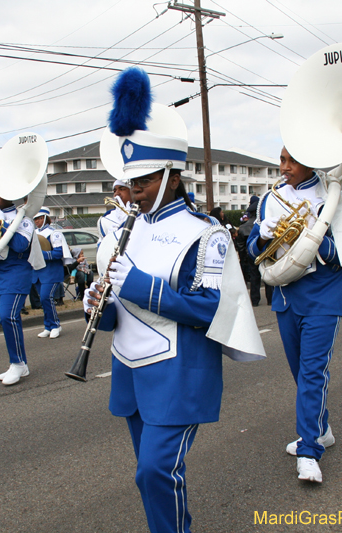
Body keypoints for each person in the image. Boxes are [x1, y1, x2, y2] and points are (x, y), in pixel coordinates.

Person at [85, 67, 265, 533]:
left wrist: (136, 285)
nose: (133, 195)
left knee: (156, 471)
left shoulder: (206, 234)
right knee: (152, 479)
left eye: (141, 184)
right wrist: (98, 305)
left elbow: (208, 308)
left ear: (170, 176)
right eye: (129, 186)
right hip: (130, 369)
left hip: (179, 372)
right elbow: (114, 318)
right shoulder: (124, 229)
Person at [248, 142, 342, 483]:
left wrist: (315, 235)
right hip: (287, 297)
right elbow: (253, 250)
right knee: (300, 374)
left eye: (292, 161)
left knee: (311, 374)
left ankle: (309, 450)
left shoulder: (334, 197)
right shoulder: (270, 199)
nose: (285, 167)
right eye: (282, 159)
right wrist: (262, 238)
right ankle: (322, 429)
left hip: (323, 297)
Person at [0, 191, 42, 386]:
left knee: (8, 316)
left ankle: (17, 363)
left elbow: (21, 245)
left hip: (16, 271)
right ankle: (20, 363)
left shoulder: (25, 219)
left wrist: (2, 225)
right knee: (8, 321)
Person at [32, 208, 73, 339]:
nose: (37, 222)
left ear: (45, 218)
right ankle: (48, 326)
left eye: (39, 218)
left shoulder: (54, 233)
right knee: (43, 300)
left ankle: (55, 325)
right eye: (35, 219)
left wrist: (40, 255)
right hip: (37, 272)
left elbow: (58, 253)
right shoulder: (33, 233)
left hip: (51, 271)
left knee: (46, 297)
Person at [236, 197, 272, 306]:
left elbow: (241, 247)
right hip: (265, 253)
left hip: (250, 256)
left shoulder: (242, 227)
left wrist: (243, 260)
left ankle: (255, 300)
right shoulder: (265, 225)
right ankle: (270, 299)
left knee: (254, 277)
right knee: (267, 276)